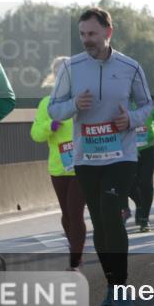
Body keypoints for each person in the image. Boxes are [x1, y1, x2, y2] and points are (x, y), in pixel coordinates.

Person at [49, 7, 154, 306]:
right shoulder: (71, 68)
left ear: (109, 32)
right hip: (87, 158)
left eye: (92, 34)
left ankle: (121, 287)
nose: (87, 40)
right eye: (82, 35)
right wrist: (73, 105)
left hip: (121, 156)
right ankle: (111, 286)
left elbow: (148, 106)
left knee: (111, 213)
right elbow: (53, 109)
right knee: (99, 223)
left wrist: (130, 120)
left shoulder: (130, 67)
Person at [31, 57, 87, 269]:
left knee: (75, 212)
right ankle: (75, 249)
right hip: (59, 166)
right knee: (66, 215)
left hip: (82, 164)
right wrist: (50, 125)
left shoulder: (83, 99)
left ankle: (76, 260)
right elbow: (35, 134)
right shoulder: (46, 104)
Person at [128, 105, 154, 232]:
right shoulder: (122, 100)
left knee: (146, 183)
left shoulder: (148, 102)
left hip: (147, 148)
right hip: (128, 150)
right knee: (128, 184)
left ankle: (145, 218)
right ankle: (140, 204)